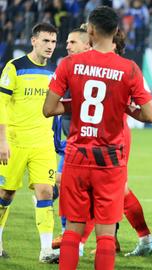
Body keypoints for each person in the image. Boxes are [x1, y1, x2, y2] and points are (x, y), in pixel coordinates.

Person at [43, 6, 152, 270]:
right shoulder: (129, 69)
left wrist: (77, 103)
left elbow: (49, 109)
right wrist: (123, 106)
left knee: (72, 230)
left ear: (90, 31)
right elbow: (150, 115)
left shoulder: (69, 64)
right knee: (105, 234)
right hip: (110, 161)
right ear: (116, 31)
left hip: (76, 158)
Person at [0, 22, 60, 263]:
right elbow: (1, 104)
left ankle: (46, 250)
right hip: (14, 143)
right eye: (46, 41)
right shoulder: (14, 68)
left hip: (42, 144)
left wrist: (56, 139)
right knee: (6, 193)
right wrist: (2, 141)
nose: (50, 46)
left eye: (54, 42)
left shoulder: (53, 72)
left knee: (46, 191)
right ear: (34, 40)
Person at [51, 27, 92, 250]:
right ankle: (71, 236)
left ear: (87, 45)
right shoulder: (67, 66)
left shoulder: (90, 70)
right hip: (70, 140)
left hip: (89, 142)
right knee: (64, 184)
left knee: (70, 186)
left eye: (72, 42)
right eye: (67, 42)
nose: (67, 45)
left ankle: (77, 239)